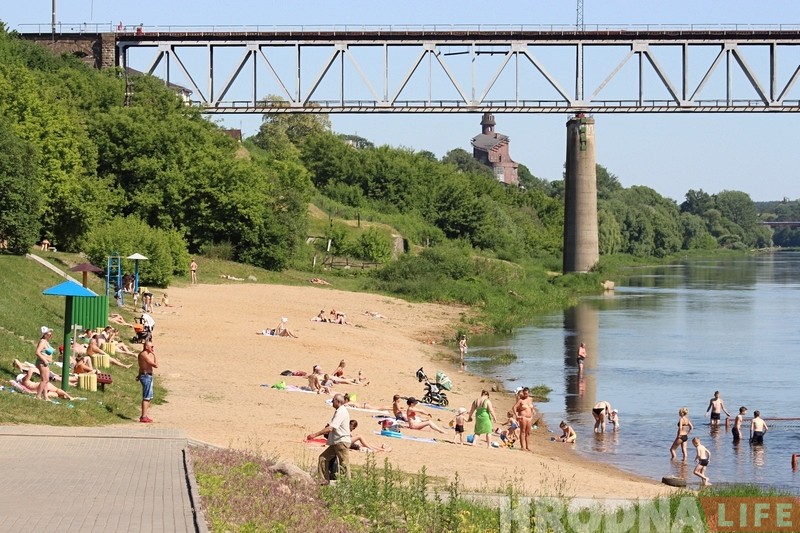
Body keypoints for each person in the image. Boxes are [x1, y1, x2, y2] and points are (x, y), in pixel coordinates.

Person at [306, 393, 351, 484]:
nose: (332, 402)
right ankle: (324, 480)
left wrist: (315, 435)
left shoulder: (341, 411)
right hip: (336, 442)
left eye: (333, 400)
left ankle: (347, 484)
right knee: (323, 458)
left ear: (337, 401)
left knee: (344, 463)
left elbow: (331, 428)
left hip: (341, 442)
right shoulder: (339, 411)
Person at [137, 341, 158, 423]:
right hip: (146, 377)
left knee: (149, 397)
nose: (152, 348)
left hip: (146, 376)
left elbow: (141, 366)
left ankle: (145, 415)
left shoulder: (143, 354)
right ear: (146, 347)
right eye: (151, 347)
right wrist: (155, 355)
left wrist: (139, 375)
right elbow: (155, 365)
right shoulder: (144, 355)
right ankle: (143, 416)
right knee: (146, 397)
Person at [34, 326, 55, 401]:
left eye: (51, 334)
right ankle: (38, 395)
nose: (50, 336)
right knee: (44, 380)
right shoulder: (42, 341)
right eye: (49, 334)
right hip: (42, 363)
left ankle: (46, 397)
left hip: (45, 363)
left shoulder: (46, 342)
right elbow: (37, 352)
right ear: (45, 334)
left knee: (46, 380)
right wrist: (45, 360)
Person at [514, 387, 535, 451]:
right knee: (523, 431)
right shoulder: (521, 400)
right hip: (523, 417)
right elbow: (514, 407)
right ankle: (522, 447)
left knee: (528, 433)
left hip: (529, 418)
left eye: (527, 393)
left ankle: (527, 447)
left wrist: (532, 413)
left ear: (529, 393)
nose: (526, 395)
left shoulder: (531, 399)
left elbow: (532, 407)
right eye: (524, 393)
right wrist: (517, 415)